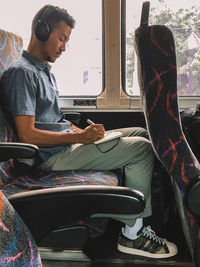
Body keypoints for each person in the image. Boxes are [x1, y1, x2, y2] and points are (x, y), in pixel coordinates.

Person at [0, 5, 178, 259]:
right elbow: (27, 135)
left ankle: (146, 215)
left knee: (140, 132)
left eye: (67, 41)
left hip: (66, 145)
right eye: (61, 38)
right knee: (141, 149)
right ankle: (133, 233)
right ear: (42, 30)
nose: (64, 47)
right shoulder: (22, 74)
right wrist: (79, 138)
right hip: (51, 156)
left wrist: (87, 132)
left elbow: (56, 120)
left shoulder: (44, 72)